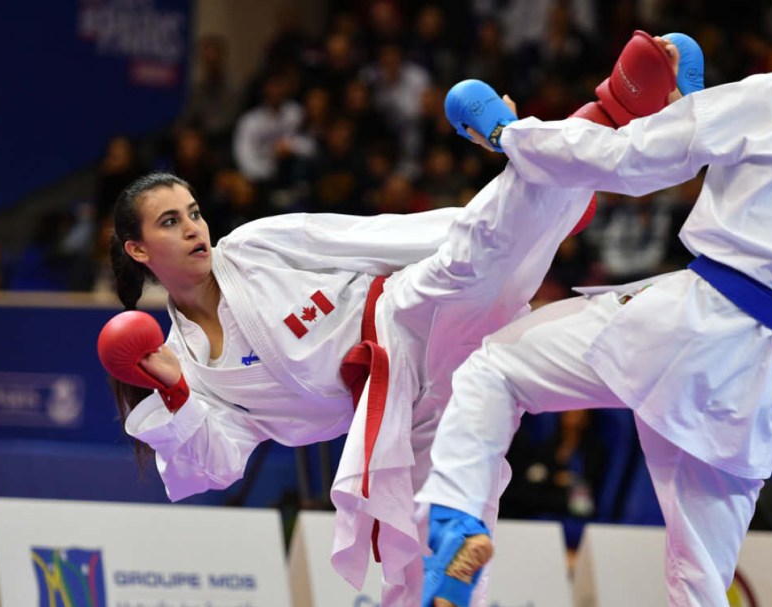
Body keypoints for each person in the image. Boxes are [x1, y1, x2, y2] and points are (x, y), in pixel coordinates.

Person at [98, 32, 697, 607]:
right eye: (170, 222)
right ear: (138, 250)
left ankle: (614, 109)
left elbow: (370, 238)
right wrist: (175, 394)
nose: (194, 227)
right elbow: (216, 466)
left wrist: (526, 221)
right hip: (391, 418)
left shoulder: (255, 246)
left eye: (193, 212)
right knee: (424, 551)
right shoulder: (189, 370)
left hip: (405, 317)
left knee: (477, 247)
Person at [415, 2, 772, 606]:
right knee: (701, 583)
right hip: (766, 374)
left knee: (493, 370)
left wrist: (511, 134)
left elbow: (627, 158)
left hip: (691, 325)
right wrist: (697, 103)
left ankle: (455, 527)